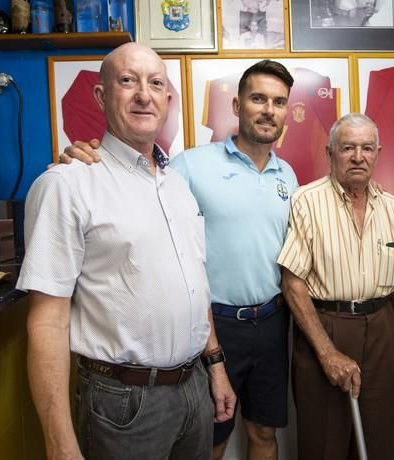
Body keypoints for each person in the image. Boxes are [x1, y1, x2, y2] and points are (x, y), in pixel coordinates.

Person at [59, 60, 298, 460]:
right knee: (211, 440)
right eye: (258, 98)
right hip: (212, 327)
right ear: (237, 106)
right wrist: (87, 154)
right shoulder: (190, 165)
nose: (268, 110)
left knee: (263, 432)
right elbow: (139, 179)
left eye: (278, 102)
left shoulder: (287, 175)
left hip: (273, 322)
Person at [18, 43, 235, 460]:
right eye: (127, 81)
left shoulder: (178, 187)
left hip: (194, 388)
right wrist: (59, 444)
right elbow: (47, 323)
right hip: (124, 402)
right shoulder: (67, 184)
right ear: (101, 96)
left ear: (167, 100)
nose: (143, 94)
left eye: (156, 83)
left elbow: (195, 287)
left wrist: (216, 367)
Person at [278, 113, 394, 460]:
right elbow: (292, 283)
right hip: (326, 328)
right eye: (348, 148)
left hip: (381, 328)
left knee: (376, 440)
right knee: (324, 442)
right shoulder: (307, 202)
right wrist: (328, 353)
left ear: (378, 153)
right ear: (331, 153)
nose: (358, 157)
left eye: (366, 148)